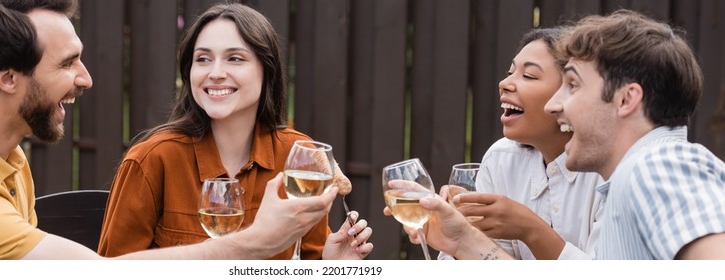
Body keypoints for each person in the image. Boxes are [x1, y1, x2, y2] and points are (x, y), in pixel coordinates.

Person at [0, 0, 338, 260]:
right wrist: (260, 242)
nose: (86, 78)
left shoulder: (3, 155)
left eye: (236, 58)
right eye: (67, 63)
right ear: (7, 78)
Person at [406, 9, 725, 260]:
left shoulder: (660, 165)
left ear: (626, 99)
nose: (556, 104)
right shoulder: (626, 178)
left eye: (572, 85)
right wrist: (463, 240)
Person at [97, 3, 372, 260]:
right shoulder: (150, 161)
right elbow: (109, 272)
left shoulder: (300, 158)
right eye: (203, 59)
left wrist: (331, 266)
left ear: (267, 71)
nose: (215, 72)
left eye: (235, 58)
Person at [441, 27, 603, 260]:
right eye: (510, 72)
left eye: (529, 76)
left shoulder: (610, 170)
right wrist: (460, 234)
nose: (504, 83)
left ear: (573, 91)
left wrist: (529, 229)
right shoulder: (501, 159)